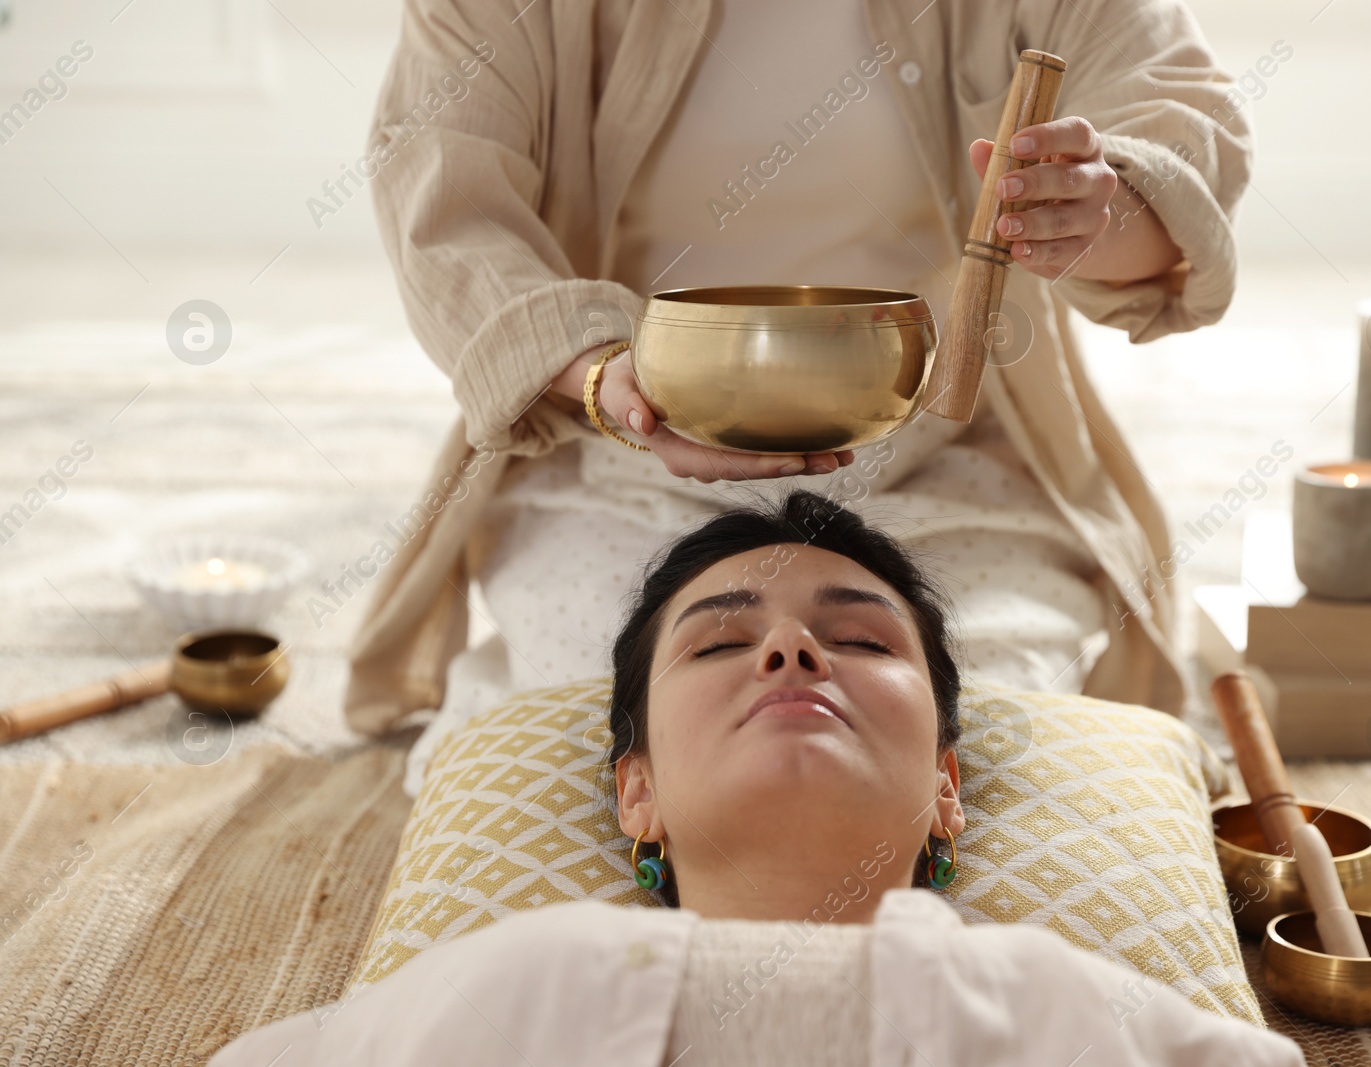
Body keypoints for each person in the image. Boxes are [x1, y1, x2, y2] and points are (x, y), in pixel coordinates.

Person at [339, 0, 1252, 801]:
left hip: (945, 454)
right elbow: (443, 197)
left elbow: (1181, 124)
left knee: (967, 742)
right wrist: (605, 378)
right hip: (626, 448)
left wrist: (1099, 208)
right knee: (624, 738)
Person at [211, 491, 1304, 1066]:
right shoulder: (496, 989)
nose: (791, 651)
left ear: (946, 788)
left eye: (864, 642)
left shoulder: (1074, 1009)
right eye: (721, 643)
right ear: (632, 790)